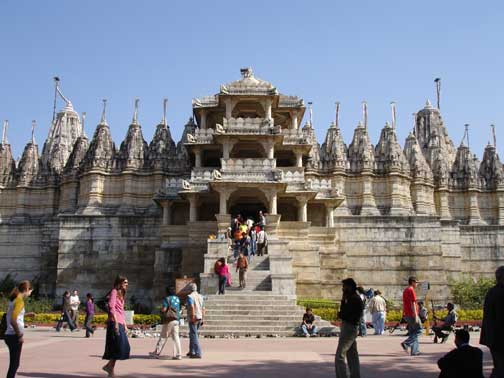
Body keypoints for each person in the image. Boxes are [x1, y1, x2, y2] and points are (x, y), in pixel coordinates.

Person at [335, 278, 363, 378]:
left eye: (344, 287)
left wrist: (340, 314)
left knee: (340, 356)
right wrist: (343, 300)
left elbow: (346, 314)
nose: (343, 289)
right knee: (352, 355)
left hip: (349, 328)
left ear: (349, 287)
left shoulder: (354, 299)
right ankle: (355, 375)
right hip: (350, 327)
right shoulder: (351, 298)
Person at [102, 276, 130, 377]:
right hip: (114, 322)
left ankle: (109, 367)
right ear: (119, 283)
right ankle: (110, 369)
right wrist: (116, 322)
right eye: (125, 282)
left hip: (120, 323)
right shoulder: (114, 291)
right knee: (117, 346)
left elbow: (121, 311)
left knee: (123, 347)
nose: (127, 284)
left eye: (127, 283)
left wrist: (125, 325)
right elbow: (111, 306)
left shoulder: (122, 294)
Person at [4, 280, 32, 378]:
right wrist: (19, 335)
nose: (30, 293)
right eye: (30, 290)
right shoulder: (20, 301)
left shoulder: (14, 299)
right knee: (14, 365)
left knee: (14, 364)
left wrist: (27, 314)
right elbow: (13, 320)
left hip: (9, 334)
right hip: (14, 335)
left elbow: (12, 315)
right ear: (26, 289)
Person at [480, 265, 504, 378]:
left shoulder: (492, 292)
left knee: (499, 366)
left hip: (493, 337)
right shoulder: (498, 293)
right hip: (499, 337)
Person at [150, 287, 182, 360]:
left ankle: (156, 352)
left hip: (169, 320)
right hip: (176, 319)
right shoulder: (177, 299)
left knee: (163, 336)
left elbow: (164, 309)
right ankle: (178, 354)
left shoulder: (167, 299)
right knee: (176, 337)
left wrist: (160, 310)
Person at [400, 276, 422, 356]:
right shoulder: (411, 290)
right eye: (416, 282)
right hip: (412, 314)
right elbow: (413, 303)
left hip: (407, 313)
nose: (417, 284)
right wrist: (415, 315)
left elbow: (405, 303)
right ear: (412, 282)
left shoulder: (405, 290)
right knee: (419, 330)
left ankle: (414, 351)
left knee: (413, 332)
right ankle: (406, 343)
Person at [186, 283, 205, 359]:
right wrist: (203, 318)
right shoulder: (201, 296)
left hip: (194, 317)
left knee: (194, 334)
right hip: (200, 316)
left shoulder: (190, 296)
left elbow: (191, 306)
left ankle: (198, 352)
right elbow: (203, 308)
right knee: (192, 334)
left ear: (190, 289)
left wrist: (193, 316)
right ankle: (191, 350)